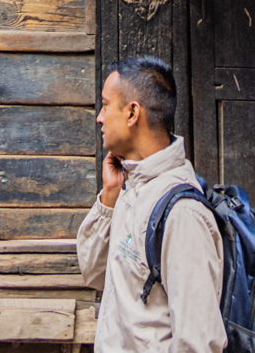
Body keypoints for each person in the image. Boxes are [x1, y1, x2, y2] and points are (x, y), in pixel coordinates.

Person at [77, 57, 224, 353]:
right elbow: (94, 273)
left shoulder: (182, 214)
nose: (99, 118)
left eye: (105, 105)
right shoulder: (133, 187)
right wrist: (109, 197)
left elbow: (198, 343)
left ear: (132, 113)